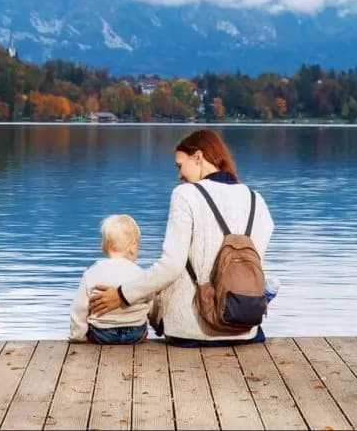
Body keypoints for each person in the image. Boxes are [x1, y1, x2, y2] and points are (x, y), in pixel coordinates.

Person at [89, 129, 274, 347]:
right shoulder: (256, 200)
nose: (179, 175)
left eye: (180, 165)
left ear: (198, 156)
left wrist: (122, 295)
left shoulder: (185, 194)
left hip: (191, 331)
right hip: (244, 329)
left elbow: (171, 266)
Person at [68, 214, 152, 344]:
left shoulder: (92, 272)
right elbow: (152, 303)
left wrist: (77, 335)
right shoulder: (140, 273)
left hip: (101, 334)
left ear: (104, 246)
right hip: (136, 333)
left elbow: (79, 307)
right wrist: (158, 325)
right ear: (134, 247)